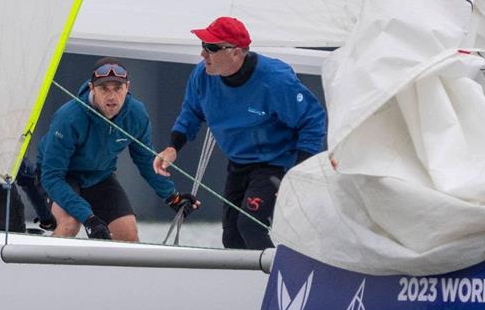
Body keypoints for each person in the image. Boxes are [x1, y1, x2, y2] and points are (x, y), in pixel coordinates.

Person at [153, 16, 327, 249]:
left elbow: (313, 119)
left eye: (212, 48)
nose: (203, 54)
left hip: (276, 164)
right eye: (203, 46)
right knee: (232, 236)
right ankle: (244, 283)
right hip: (238, 164)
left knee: (251, 225)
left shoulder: (275, 81)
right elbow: (191, 113)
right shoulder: (203, 76)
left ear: (236, 52)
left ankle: (274, 280)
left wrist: (299, 172)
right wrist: (173, 147)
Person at [37, 58, 199, 241]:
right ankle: (42, 266)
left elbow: (146, 161)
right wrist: (89, 219)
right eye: (104, 89)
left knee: (128, 236)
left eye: (117, 88)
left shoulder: (136, 114)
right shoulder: (68, 117)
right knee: (69, 224)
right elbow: (51, 176)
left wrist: (172, 197)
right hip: (60, 177)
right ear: (92, 88)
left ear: (127, 87)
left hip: (99, 177)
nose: (111, 96)